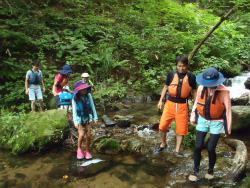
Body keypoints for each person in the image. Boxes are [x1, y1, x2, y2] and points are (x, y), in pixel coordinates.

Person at [188, 67, 232, 181]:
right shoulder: (201, 88)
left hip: (217, 122)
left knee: (211, 148)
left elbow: (228, 111)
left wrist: (227, 129)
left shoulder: (224, 92)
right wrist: (193, 116)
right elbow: (197, 103)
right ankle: (195, 170)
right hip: (203, 119)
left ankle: (210, 170)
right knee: (197, 146)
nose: (209, 85)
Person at [157, 55, 197, 155]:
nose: (181, 68)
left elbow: (194, 91)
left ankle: (177, 150)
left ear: (187, 65)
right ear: (176, 65)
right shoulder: (171, 74)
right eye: (179, 66)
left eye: (183, 66)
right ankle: (163, 144)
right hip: (169, 104)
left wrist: (195, 106)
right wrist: (160, 100)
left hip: (182, 105)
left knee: (181, 130)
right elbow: (166, 87)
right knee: (162, 126)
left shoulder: (191, 76)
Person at [72, 80, 98, 159]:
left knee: (89, 135)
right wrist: (75, 122)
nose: (85, 90)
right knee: (82, 134)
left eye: (86, 88)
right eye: (83, 89)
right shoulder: (74, 98)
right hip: (79, 118)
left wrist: (95, 117)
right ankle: (79, 149)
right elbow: (74, 111)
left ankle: (87, 151)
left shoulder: (88, 95)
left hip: (87, 117)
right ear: (79, 90)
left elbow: (93, 107)